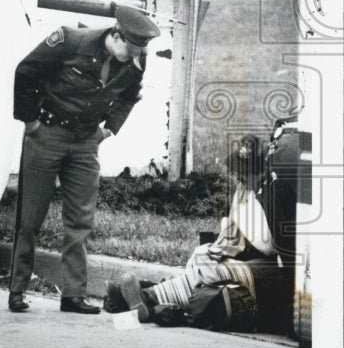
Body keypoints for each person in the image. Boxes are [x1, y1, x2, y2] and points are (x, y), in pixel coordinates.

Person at [7, 6, 161, 314]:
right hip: (47, 134)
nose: (131, 59)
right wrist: (30, 123)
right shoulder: (70, 41)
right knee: (30, 217)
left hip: (86, 142)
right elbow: (26, 71)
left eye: (137, 53)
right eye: (128, 50)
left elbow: (130, 95)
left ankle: (73, 295)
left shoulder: (135, 58)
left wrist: (108, 130)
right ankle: (17, 290)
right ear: (116, 36)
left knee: (80, 220)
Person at [105, 128, 300, 334]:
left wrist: (231, 249)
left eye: (243, 175)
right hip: (262, 262)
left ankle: (147, 298)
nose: (239, 181)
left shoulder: (273, 192)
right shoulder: (256, 191)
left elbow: (268, 244)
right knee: (205, 261)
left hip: (280, 273)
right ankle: (147, 298)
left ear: (257, 172)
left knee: (213, 272)